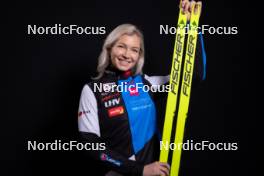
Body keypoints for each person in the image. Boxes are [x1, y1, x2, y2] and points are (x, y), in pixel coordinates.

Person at [78, 1, 205, 176]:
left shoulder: (147, 84)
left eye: (134, 50)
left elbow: (192, 78)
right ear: (109, 48)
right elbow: (90, 145)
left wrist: (191, 26)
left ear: (139, 56)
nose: (127, 54)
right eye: (121, 46)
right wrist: (140, 170)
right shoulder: (92, 90)